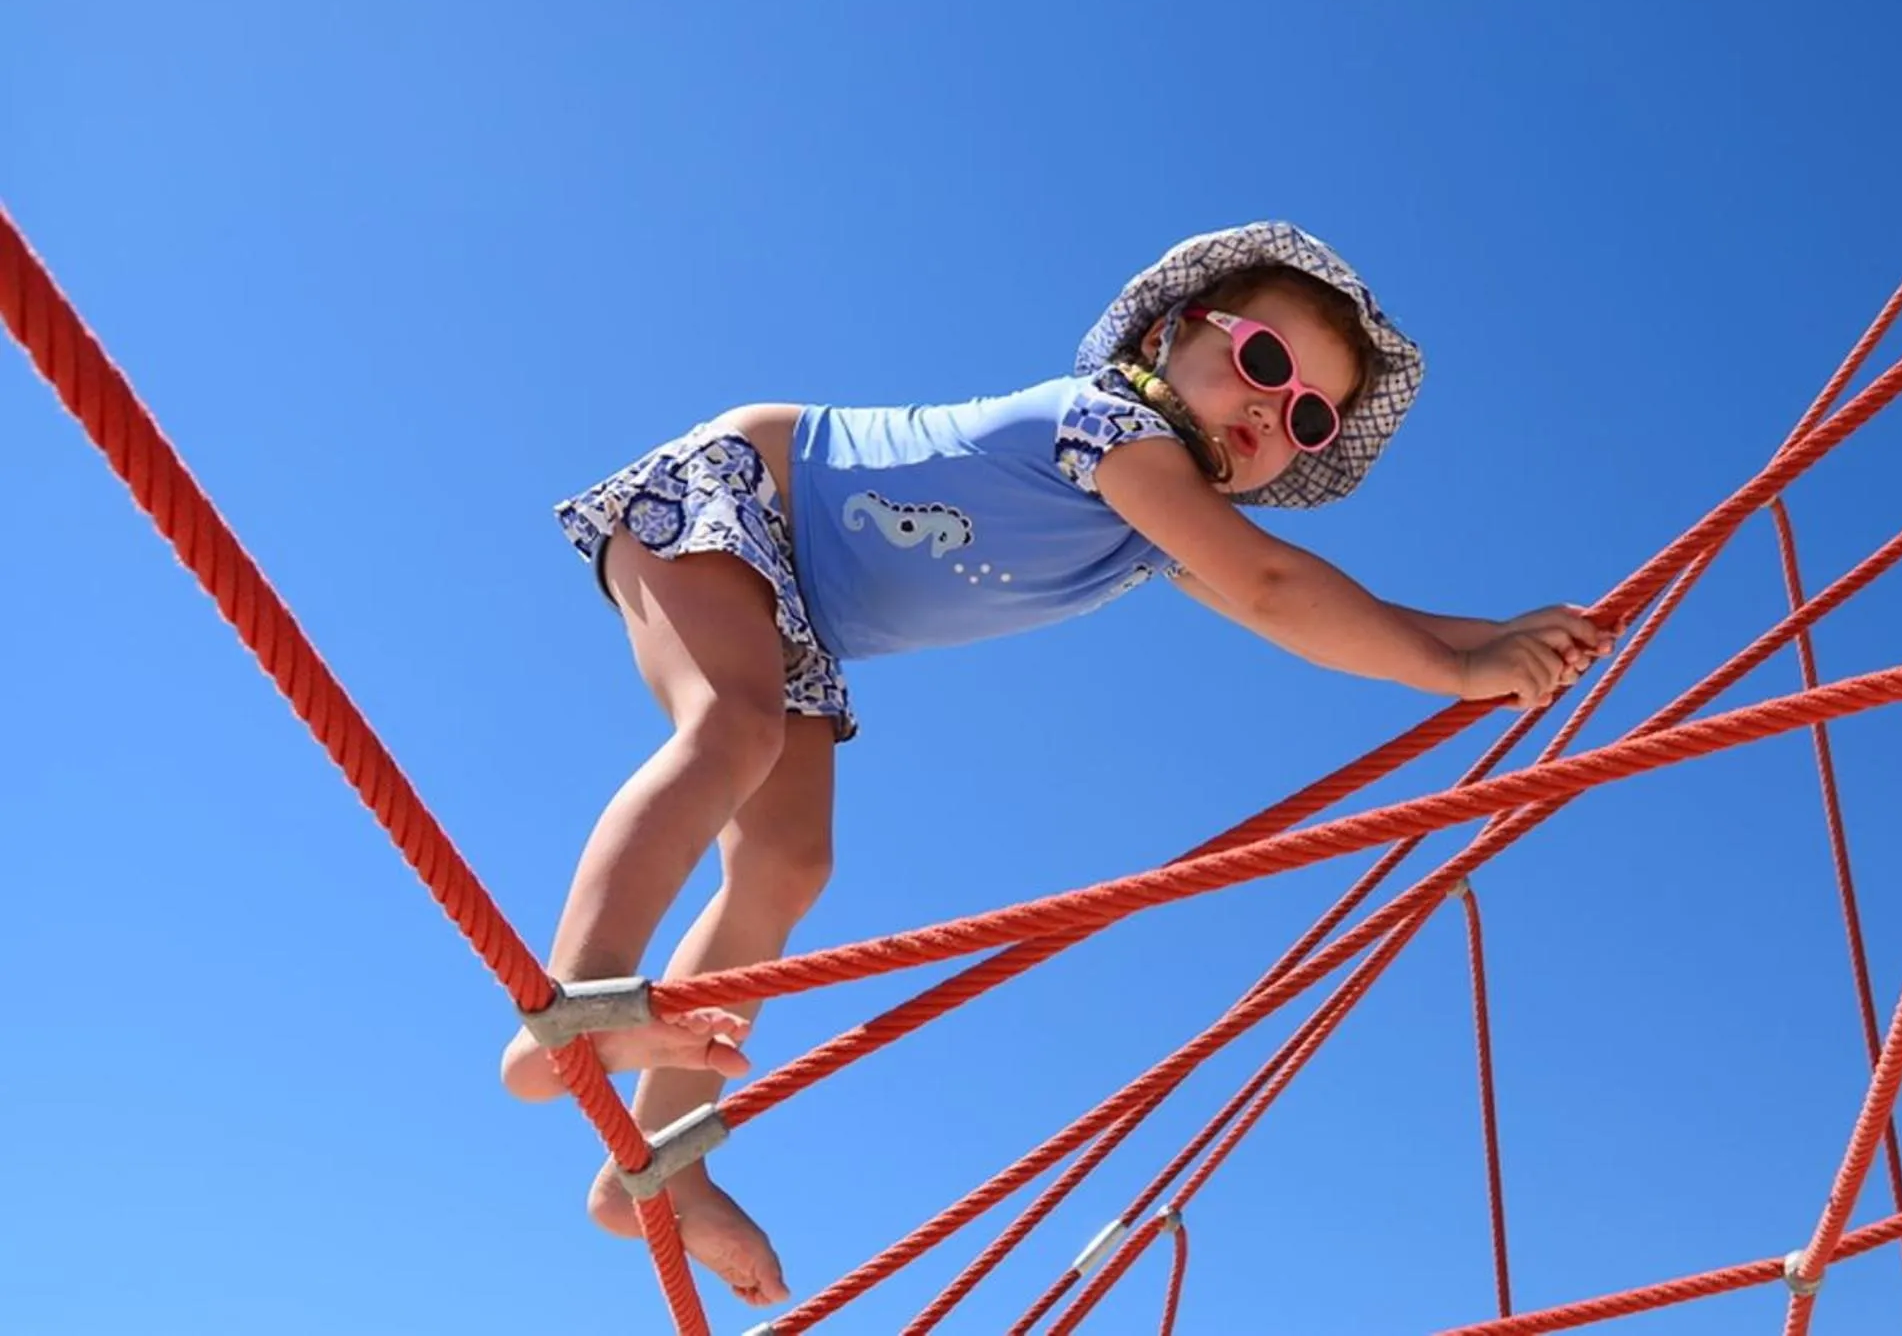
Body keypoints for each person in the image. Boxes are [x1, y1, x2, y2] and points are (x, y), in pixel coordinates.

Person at [497, 221, 1613, 1304]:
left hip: (802, 612)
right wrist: (1458, 670)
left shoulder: (1153, 530)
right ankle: (576, 1001)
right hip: (748, 495)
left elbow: (1304, 609)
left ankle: (659, 1163)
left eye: (1307, 418)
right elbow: (1277, 587)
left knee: (786, 864)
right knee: (731, 729)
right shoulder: (1110, 425)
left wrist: (1490, 637)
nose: (1271, 411)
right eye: (1264, 363)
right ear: (1170, 333)